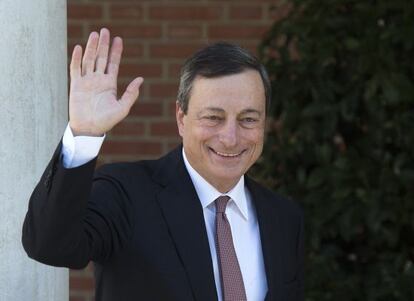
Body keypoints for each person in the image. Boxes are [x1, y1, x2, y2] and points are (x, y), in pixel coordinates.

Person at [22, 28, 303, 301]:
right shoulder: (126, 194)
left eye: (248, 119)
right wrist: (84, 134)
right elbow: (50, 245)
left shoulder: (283, 218)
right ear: (181, 118)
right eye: (213, 118)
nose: (230, 138)